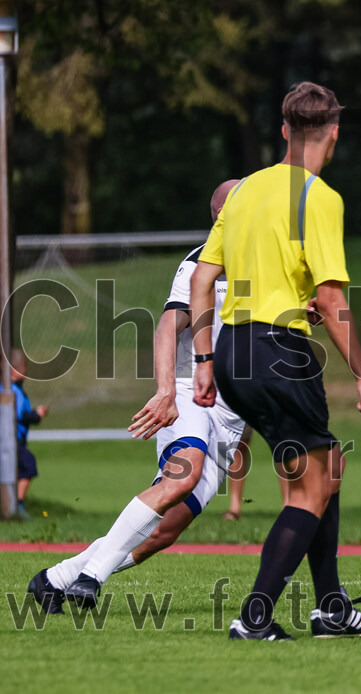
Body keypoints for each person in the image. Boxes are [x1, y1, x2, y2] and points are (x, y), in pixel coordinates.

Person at [191, 81, 361, 641]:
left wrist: (203, 360)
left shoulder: (245, 190)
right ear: (335, 134)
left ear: (283, 130)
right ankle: (254, 619)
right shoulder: (320, 197)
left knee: (326, 473)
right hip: (280, 354)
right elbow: (330, 298)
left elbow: (205, 279)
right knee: (309, 490)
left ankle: (331, 608)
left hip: (232, 352)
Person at [27, 180, 251, 613]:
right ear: (224, 216)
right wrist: (166, 391)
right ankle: (91, 579)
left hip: (232, 412)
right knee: (182, 477)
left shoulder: (268, 260)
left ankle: (54, 578)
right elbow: (168, 326)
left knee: (163, 533)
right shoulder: (201, 264)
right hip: (190, 391)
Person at [1, 349, 49, 520]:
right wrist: (38, 414)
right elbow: (21, 416)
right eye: (21, 368)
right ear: (10, 370)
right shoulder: (13, 390)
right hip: (12, 440)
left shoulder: (13, 389)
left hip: (12, 439)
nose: (25, 371)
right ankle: (18, 504)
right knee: (28, 464)